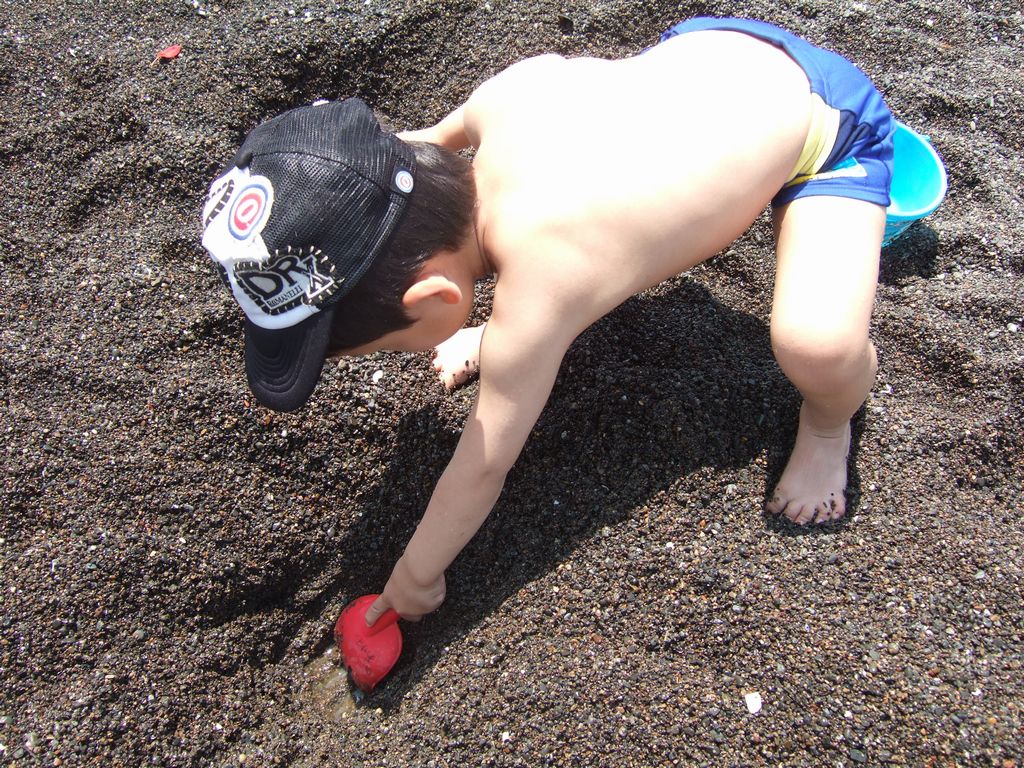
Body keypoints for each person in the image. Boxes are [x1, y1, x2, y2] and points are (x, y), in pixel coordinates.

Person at [201, 17, 895, 624]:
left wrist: (415, 577)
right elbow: (411, 152)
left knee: (814, 345)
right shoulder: (509, 95)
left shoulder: (545, 273)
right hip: (717, 48)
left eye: (385, 347)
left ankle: (828, 424)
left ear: (436, 299)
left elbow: (482, 465)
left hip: (824, 126)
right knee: (574, 262)